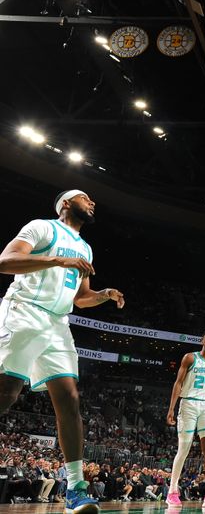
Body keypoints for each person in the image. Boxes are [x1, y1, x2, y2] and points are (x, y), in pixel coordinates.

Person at [0, 189, 124, 514]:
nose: (93, 201)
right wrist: (57, 258)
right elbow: (5, 261)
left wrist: (104, 294)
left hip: (57, 323)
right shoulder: (42, 228)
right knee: (8, 392)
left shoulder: (85, 247)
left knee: (69, 399)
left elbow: (79, 297)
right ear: (67, 204)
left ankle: (75, 488)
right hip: (25, 310)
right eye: (85, 197)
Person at [165, 331, 205, 508]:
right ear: (202, 341)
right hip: (188, 404)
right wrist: (172, 407)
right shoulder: (190, 358)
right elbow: (178, 383)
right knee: (184, 449)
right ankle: (172, 491)